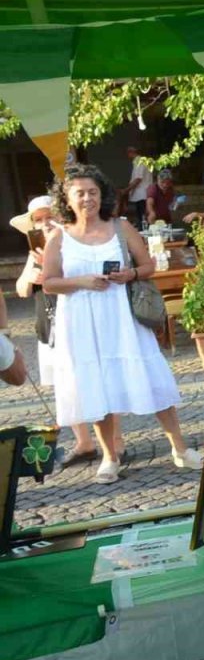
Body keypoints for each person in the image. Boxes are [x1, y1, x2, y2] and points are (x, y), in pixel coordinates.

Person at [39, 164, 203, 484]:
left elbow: (148, 265)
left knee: (152, 379)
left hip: (123, 317)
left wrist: (130, 274)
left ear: (103, 195)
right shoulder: (59, 237)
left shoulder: (120, 227)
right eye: (80, 193)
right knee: (96, 387)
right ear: (67, 199)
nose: (87, 199)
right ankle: (110, 456)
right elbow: (49, 283)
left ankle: (180, 448)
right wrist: (83, 281)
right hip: (83, 321)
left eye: (93, 192)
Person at [12, 196, 99, 461]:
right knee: (65, 386)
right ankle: (83, 442)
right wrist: (32, 275)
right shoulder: (35, 251)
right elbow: (22, 290)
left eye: (48, 216)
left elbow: (90, 280)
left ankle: (114, 443)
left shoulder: (73, 243)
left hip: (77, 320)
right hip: (48, 326)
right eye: (38, 220)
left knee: (92, 380)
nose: (45, 223)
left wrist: (54, 278)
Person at [124, 147, 152, 228]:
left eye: (128, 153)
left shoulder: (139, 161)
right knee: (142, 219)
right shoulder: (141, 161)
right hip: (141, 195)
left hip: (141, 195)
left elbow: (138, 179)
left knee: (143, 220)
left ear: (131, 152)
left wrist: (126, 190)